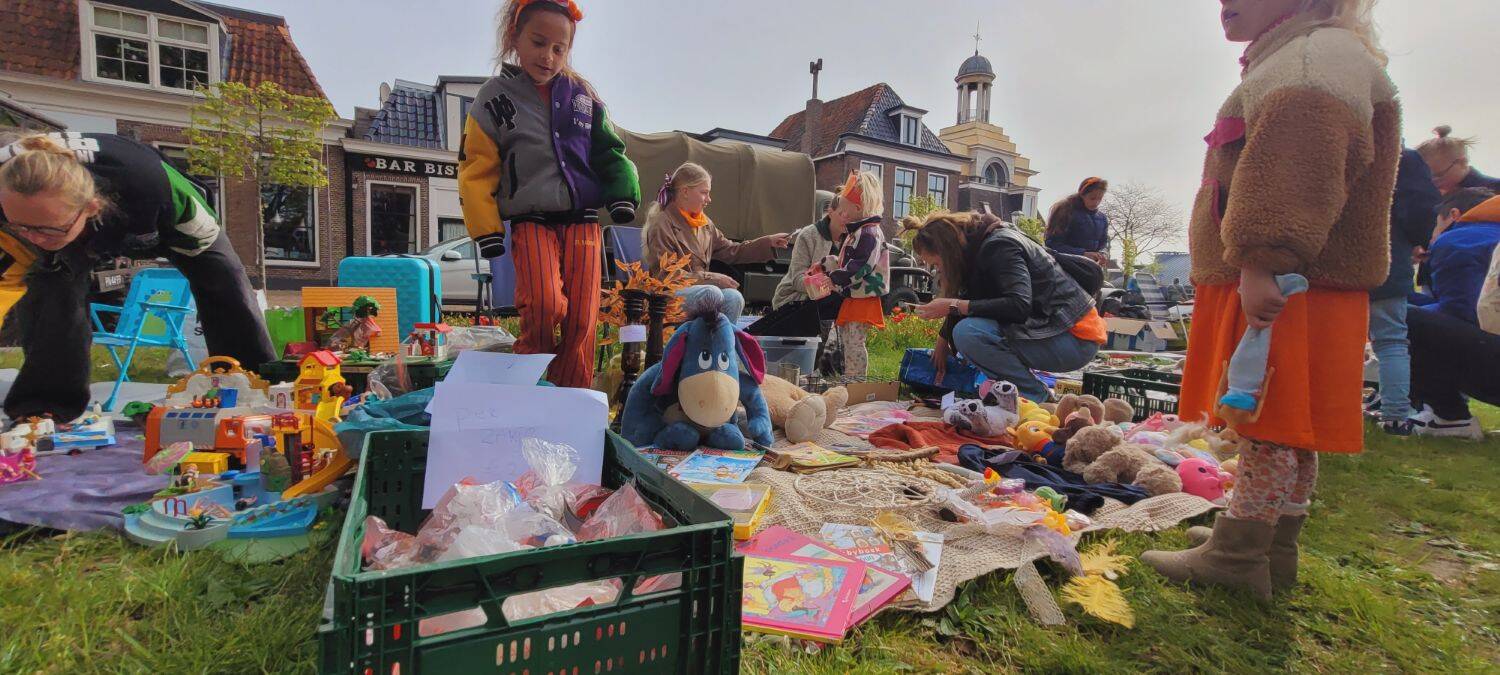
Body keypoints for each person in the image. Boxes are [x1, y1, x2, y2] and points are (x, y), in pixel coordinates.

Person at [1141, 0, 1400, 600]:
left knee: (1266, 424)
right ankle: (1273, 546)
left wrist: (1263, 258)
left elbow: (1294, 166)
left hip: (1285, 283)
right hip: (1301, 280)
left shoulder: (1309, 60)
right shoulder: (1318, 52)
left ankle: (1237, 554)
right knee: (1291, 429)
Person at [0, 132, 275, 421]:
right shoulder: (17, 205)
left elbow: (209, 254)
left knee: (225, 284)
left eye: (47, 229)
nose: (35, 238)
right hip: (56, 218)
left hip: (149, 206)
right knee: (51, 286)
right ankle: (45, 407)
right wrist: (35, 231)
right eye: (23, 227)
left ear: (92, 207)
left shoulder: (153, 190)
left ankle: (254, 386)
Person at [458, 0, 640, 388]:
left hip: (582, 221)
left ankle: (571, 397)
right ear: (515, 37)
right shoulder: (494, 98)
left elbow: (608, 149)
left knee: (583, 317)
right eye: (539, 43)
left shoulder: (582, 95)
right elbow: (476, 166)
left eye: (560, 48)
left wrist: (621, 191)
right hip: (532, 218)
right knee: (543, 304)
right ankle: (529, 386)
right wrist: (486, 228)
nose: (548, 56)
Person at [905, 210, 1106, 404]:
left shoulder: (1000, 247)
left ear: (947, 252)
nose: (938, 270)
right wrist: (943, 340)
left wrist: (952, 305)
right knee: (968, 331)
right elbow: (972, 296)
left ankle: (1034, 397)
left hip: (1074, 337)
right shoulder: (980, 244)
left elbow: (1018, 305)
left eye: (936, 264)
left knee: (968, 334)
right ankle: (1026, 394)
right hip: (1060, 330)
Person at [1406, 191, 1500, 440]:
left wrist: (1396, 298)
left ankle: (1450, 416)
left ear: (1453, 215)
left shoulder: (1460, 240)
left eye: (1436, 224)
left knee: (1402, 321)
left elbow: (1465, 311)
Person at [1365, 148, 1439, 435]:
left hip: (1335, 262)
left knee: (1337, 339)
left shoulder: (1337, 144)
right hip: (1388, 256)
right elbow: (1420, 208)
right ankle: (1395, 416)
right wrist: (1419, 240)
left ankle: (1332, 411)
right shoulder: (1401, 157)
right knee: (1391, 340)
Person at [641, 162, 789, 289]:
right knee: (712, 293)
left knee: (734, 297)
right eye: (704, 193)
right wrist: (712, 278)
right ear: (685, 192)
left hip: (700, 289)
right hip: (669, 295)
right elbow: (666, 275)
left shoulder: (705, 224)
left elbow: (732, 250)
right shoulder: (662, 223)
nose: (709, 199)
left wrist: (768, 242)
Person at [816, 171, 889, 377]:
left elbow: (861, 266)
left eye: (845, 209)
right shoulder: (858, 231)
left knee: (854, 342)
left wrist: (833, 278)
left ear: (857, 208)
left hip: (864, 297)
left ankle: (855, 380)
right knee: (845, 339)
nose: (842, 213)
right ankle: (842, 375)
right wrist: (824, 265)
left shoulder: (868, 233)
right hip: (856, 294)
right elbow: (847, 263)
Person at [771, 190, 837, 311]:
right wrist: (830, 285)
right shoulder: (809, 235)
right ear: (830, 212)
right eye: (842, 213)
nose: (847, 218)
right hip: (796, 300)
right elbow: (797, 280)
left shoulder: (855, 238)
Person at [1416, 126, 1500, 196]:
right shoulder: (1427, 195)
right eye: (1425, 176)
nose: (1432, 182)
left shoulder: (1496, 189)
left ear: (1462, 162)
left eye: (1438, 175)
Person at [1043, 177, 1110, 264]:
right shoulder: (1065, 212)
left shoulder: (1102, 218)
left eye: (1100, 199)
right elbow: (1052, 244)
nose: (1096, 203)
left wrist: (1103, 254)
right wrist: (1082, 254)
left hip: (1090, 266)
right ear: (1082, 195)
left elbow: (1103, 243)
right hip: (1065, 266)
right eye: (1092, 198)